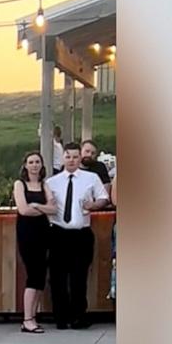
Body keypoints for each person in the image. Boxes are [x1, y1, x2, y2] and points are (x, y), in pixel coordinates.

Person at [44, 141, 110, 330]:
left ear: (80, 158)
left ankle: (78, 316)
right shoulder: (51, 182)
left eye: (75, 157)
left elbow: (104, 198)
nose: (71, 160)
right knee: (57, 278)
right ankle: (61, 317)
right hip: (58, 233)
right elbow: (46, 204)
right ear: (63, 158)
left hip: (81, 234)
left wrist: (93, 205)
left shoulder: (91, 178)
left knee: (79, 277)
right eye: (68, 157)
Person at [12, 151, 58, 334]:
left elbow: (54, 209)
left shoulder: (44, 185)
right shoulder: (19, 184)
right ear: (25, 165)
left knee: (40, 274)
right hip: (26, 232)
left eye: (37, 161)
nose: (34, 165)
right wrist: (43, 209)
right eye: (31, 162)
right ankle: (27, 319)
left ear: (42, 164)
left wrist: (37, 206)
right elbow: (23, 210)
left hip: (43, 232)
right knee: (33, 273)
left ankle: (33, 316)